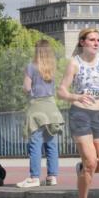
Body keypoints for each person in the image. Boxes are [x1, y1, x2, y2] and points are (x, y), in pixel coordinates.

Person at [56, 27, 99, 198]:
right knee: (91, 161)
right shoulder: (74, 63)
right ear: (82, 42)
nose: (96, 43)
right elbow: (61, 91)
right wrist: (76, 97)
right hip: (80, 115)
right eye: (92, 40)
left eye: (98, 40)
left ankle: (83, 170)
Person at [18, 39, 62, 188]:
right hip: (51, 107)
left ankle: (34, 177)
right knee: (51, 144)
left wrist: (28, 92)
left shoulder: (31, 67)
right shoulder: (52, 68)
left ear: (37, 51)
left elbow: (26, 87)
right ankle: (52, 176)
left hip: (36, 107)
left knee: (35, 143)